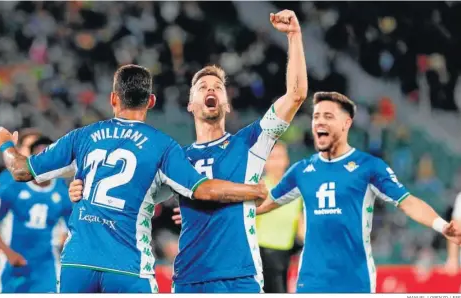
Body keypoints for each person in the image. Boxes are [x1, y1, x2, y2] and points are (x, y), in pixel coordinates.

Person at [68, 9, 307, 293]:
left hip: (239, 278)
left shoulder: (250, 143)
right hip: (188, 279)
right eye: (203, 86)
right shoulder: (174, 158)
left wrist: (294, 36)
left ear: (227, 104)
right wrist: (82, 190)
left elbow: (296, 95)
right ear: (190, 104)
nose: (212, 89)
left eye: (218, 87)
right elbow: (129, 197)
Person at [0, 64, 269, 293]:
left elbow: (21, 170)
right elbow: (203, 190)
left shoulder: (82, 137)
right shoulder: (163, 146)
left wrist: (5, 145)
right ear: (151, 101)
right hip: (128, 266)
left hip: (77, 265)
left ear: (113, 99)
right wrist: (251, 190)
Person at [256, 91, 461, 293]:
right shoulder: (301, 171)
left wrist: (442, 225)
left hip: (354, 280)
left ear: (346, 124)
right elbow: (263, 206)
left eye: (328, 116)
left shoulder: (369, 167)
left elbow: (408, 202)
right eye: (316, 116)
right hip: (311, 281)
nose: (319, 122)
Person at [0, 136, 73, 293]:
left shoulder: (62, 190)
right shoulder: (12, 185)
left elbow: (69, 228)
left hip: (47, 265)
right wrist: (8, 253)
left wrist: (65, 241)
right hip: (14, 263)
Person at [256, 142, 304, 293]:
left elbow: (300, 223)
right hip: (261, 253)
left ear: (287, 160)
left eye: (280, 157)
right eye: (272, 157)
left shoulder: (295, 191)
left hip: (285, 254)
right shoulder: (258, 188)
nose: (276, 162)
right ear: (265, 162)